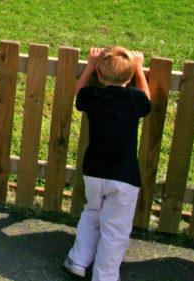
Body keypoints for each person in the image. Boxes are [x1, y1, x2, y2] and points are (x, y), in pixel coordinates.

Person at [64, 46, 151, 281]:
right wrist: (141, 70)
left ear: (99, 76)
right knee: (115, 229)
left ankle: (78, 260)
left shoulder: (93, 96)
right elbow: (147, 100)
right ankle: (105, 276)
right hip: (124, 176)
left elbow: (79, 91)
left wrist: (90, 65)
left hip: (94, 171)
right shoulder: (134, 99)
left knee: (91, 212)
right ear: (130, 76)